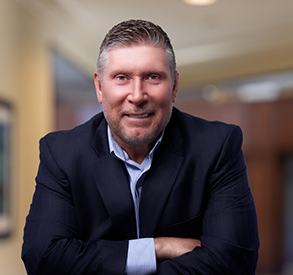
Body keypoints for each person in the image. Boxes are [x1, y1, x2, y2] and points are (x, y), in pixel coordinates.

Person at [22, 19, 259, 274]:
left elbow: (234, 261)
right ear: (100, 87)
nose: (137, 95)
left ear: (175, 86)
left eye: (153, 77)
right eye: (121, 77)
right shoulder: (61, 153)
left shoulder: (217, 147)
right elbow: (43, 257)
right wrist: (156, 248)